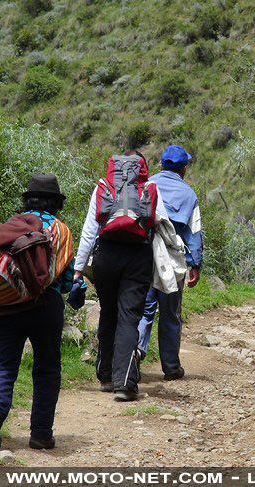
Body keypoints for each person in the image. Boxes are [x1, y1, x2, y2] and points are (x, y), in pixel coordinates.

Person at [0, 174, 75, 452]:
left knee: (3, 367)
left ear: (27, 201)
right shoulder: (61, 230)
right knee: (46, 368)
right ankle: (41, 435)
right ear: (55, 203)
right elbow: (67, 283)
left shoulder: (10, 227)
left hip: (4, 306)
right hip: (46, 306)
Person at [73, 151, 168, 402]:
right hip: (138, 256)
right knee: (129, 317)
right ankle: (124, 382)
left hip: (106, 254)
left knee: (108, 312)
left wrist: (78, 269)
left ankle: (105, 375)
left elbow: (89, 231)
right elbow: (163, 226)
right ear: (143, 168)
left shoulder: (103, 188)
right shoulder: (149, 188)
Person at [137, 145, 203, 381]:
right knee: (170, 313)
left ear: (161, 165)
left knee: (144, 308)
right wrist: (195, 264)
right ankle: (171, 367)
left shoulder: (146, 185)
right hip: (173, 262)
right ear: (184, 168)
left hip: (144, 256)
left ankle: (136, 351)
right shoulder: (189, 195)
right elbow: (194, 233)